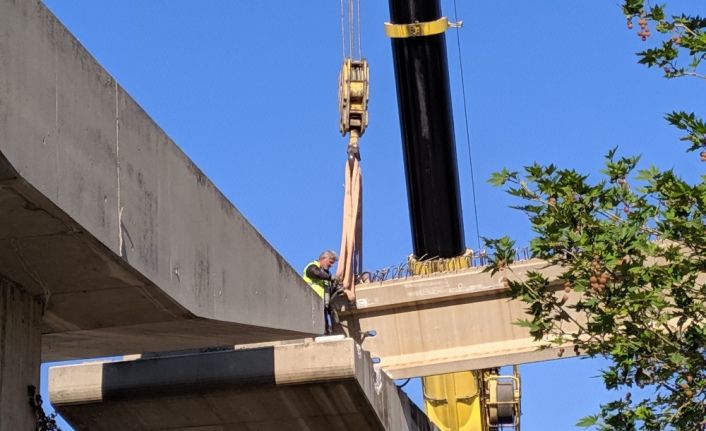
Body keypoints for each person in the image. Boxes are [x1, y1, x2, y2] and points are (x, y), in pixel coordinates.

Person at [302, 250, 341, 334]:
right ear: (323, 258)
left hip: (322, 305)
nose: (331, 265)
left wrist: (335, 286)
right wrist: (330, 277)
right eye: (330, 262)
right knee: (316, 327)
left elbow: (329, 291)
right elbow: (314, 272)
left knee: (325, 328)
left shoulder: (326, 275)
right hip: (311, 302)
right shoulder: (313, 266)